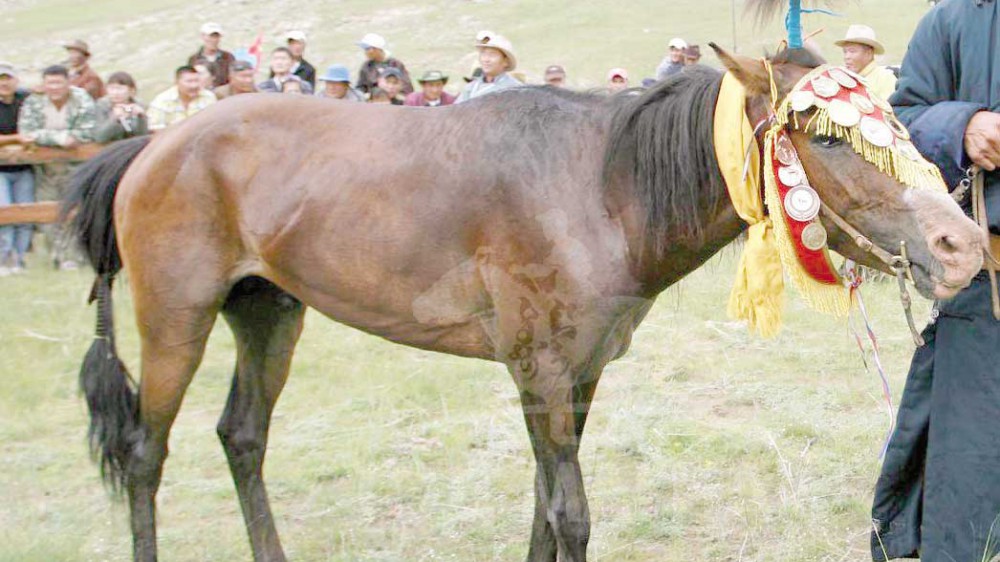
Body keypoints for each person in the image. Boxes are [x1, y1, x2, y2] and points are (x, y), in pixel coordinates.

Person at [870, 3, 1000, 562]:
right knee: (972, 451)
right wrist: (964, 123)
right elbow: (901, 122)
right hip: (991, 278)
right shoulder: (953, 19)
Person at [18, 65, 96, 269]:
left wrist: (45, 137)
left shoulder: (82, 99)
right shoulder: (34, 101)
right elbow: (27, 132)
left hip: (76, 167)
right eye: (50, 82)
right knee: (48, 213)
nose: (54, 87)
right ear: (44, 84)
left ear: (68, 82)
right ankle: (59, 255)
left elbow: (86, 132)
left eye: (59, 82)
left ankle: (76, 255)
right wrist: (60, 138)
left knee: (76, 210)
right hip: (45, 169)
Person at [0, 63, 34, 274]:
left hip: (25, 167)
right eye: (1, 79)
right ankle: (4, 258)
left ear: (16, 81)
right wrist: (17, 139)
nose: (4, 83)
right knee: (5, 212)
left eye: (8, 78)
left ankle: (19, 259)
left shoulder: (25, 100)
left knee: (27, 213)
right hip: (1, 170)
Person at [834, 24, 897, 101]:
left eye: (852, 51)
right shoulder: (843, 79)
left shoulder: (885, 79)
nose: (847, 57)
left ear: (869, 53)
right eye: (845, 52)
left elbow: (889, 110)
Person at [456, 32, 522, 103]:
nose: (486, 60)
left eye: (492, 55)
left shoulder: (515, 89)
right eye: (483, 54)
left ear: (505, 61)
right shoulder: (470, 88)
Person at [146, 65, 216, 132]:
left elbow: (215, 122)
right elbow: (155, 128)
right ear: (177, 82)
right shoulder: (162, 101)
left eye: (196, 81)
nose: (194, 86)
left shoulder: (208, 97)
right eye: (189, 81)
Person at [94, 71, 148, 143]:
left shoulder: (138, 104)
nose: (115, 93)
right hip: (111, 146)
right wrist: (114, 118)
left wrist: (141, 117)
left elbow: (142, 135)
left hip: (133, 144)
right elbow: (99, 137)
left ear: (131, 91)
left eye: (120, 89)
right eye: (112, 89)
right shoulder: (102, 105)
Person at [188, 22, 235, 87]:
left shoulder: (228, 57)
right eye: (211, 36)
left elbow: (233, 78)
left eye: (216, 36)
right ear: (203, 36)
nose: (214, 40)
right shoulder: (194, 59)